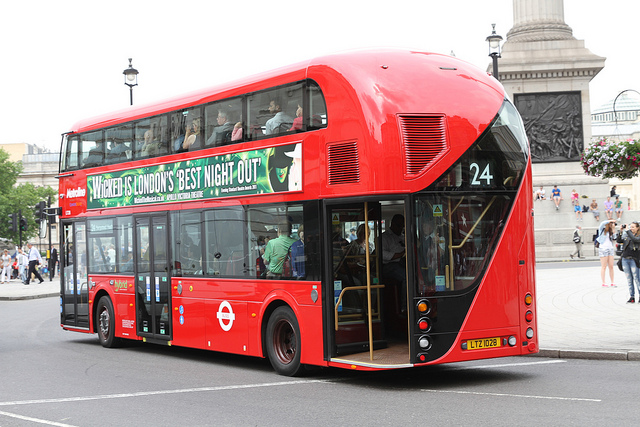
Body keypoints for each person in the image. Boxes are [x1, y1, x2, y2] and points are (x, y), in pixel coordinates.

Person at [381, 214, 407, 311]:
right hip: (388, 265)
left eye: (402, 226)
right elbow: (383, 254)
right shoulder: (385, 237)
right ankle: (405, 308)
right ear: (392, 224)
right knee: (407, 277)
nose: (400, 228)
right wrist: (401, 254)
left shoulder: (403, 237)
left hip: (404, 263)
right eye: (398, 225)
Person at [616, 222, 640, 303]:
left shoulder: (638, 236)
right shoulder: (627, 235)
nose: (631, 228)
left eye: (633, 227)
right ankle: (632, 297)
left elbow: (635, 239)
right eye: (630, 227)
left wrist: (627, 231)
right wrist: (621, 231)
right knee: (629, 280)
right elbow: (619, 240)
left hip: (634, 260)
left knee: (637, 279)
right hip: (625, 259)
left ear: (638, 228)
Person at [596, 220, 617, 287]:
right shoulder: (602, 229)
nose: (613, 224)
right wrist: (610, 220)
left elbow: (615, 238)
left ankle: (612, 281)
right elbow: (602, 223)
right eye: (612, 223)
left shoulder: (611, 231)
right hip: (603, 248)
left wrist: (613, 229)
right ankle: (603, 282)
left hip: (610, 248)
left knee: (611, 266)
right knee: (604, 266)